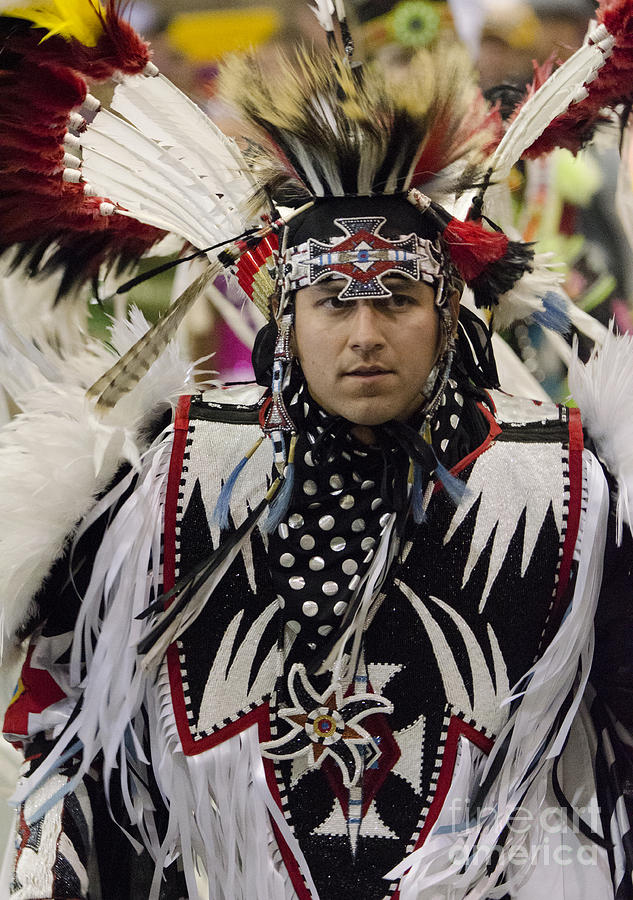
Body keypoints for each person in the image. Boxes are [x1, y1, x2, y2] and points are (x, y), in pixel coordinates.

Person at [1, 2, 633, 899]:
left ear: (447, 312)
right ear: (285, 322)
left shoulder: (567, 490)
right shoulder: (166, 484)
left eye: (395, 302)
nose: (364, 335)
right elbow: (83, 771)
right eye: (333, 304)